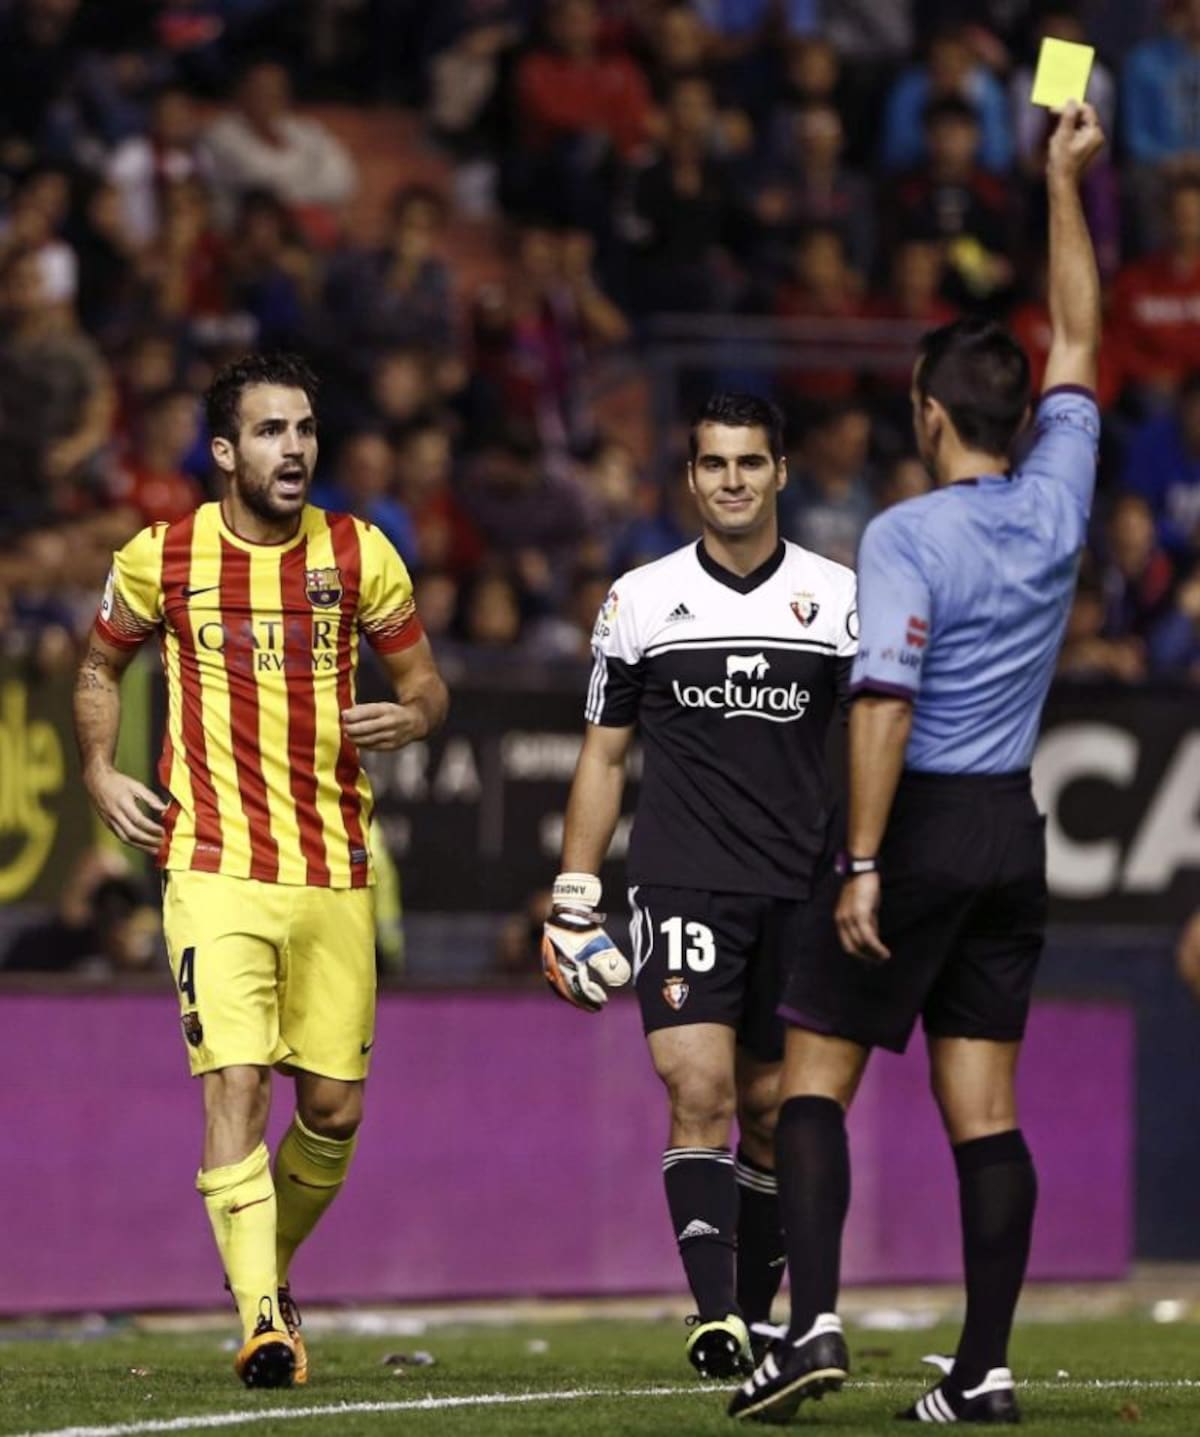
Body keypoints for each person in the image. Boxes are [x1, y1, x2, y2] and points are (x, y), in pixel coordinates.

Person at [729, 100, 1105, 1425]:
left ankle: (813, 1322)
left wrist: (865, 860)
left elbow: (880, 702)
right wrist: (1066, 182)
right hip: (1013, 824)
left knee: (814, 1071)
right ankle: (985, 1367)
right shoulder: (1060, 491)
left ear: (927, 410)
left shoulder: (904, 533)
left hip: (923, 818)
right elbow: (1081, 332)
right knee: (985, 1107)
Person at [72, 352, 449, 1388]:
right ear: (227, 451)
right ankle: (265, 1320)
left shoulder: (360, 553)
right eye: (273, 432)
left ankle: (264, 1264)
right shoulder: (163, 556)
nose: (296, 449)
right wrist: (99, 771)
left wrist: (411, 716)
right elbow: (101, 662)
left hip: (334, 864)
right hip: (212, 863)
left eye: (306, 430)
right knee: (233, 1082)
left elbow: (426, 685)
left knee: (332, 1108)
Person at [542, 392, 858, 1378]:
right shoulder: (639, 599)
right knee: (700, 1088)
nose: (732, 481)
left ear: (780, 474)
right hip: (681, 884)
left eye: (749, 464)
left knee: (769, 1111)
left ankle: (761, 1323)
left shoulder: (841, 598)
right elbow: (602, 756)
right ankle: (716, 1315)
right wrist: (574, 893)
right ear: (690, 478)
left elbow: (875, 746)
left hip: (801, 890)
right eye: (714, 464)